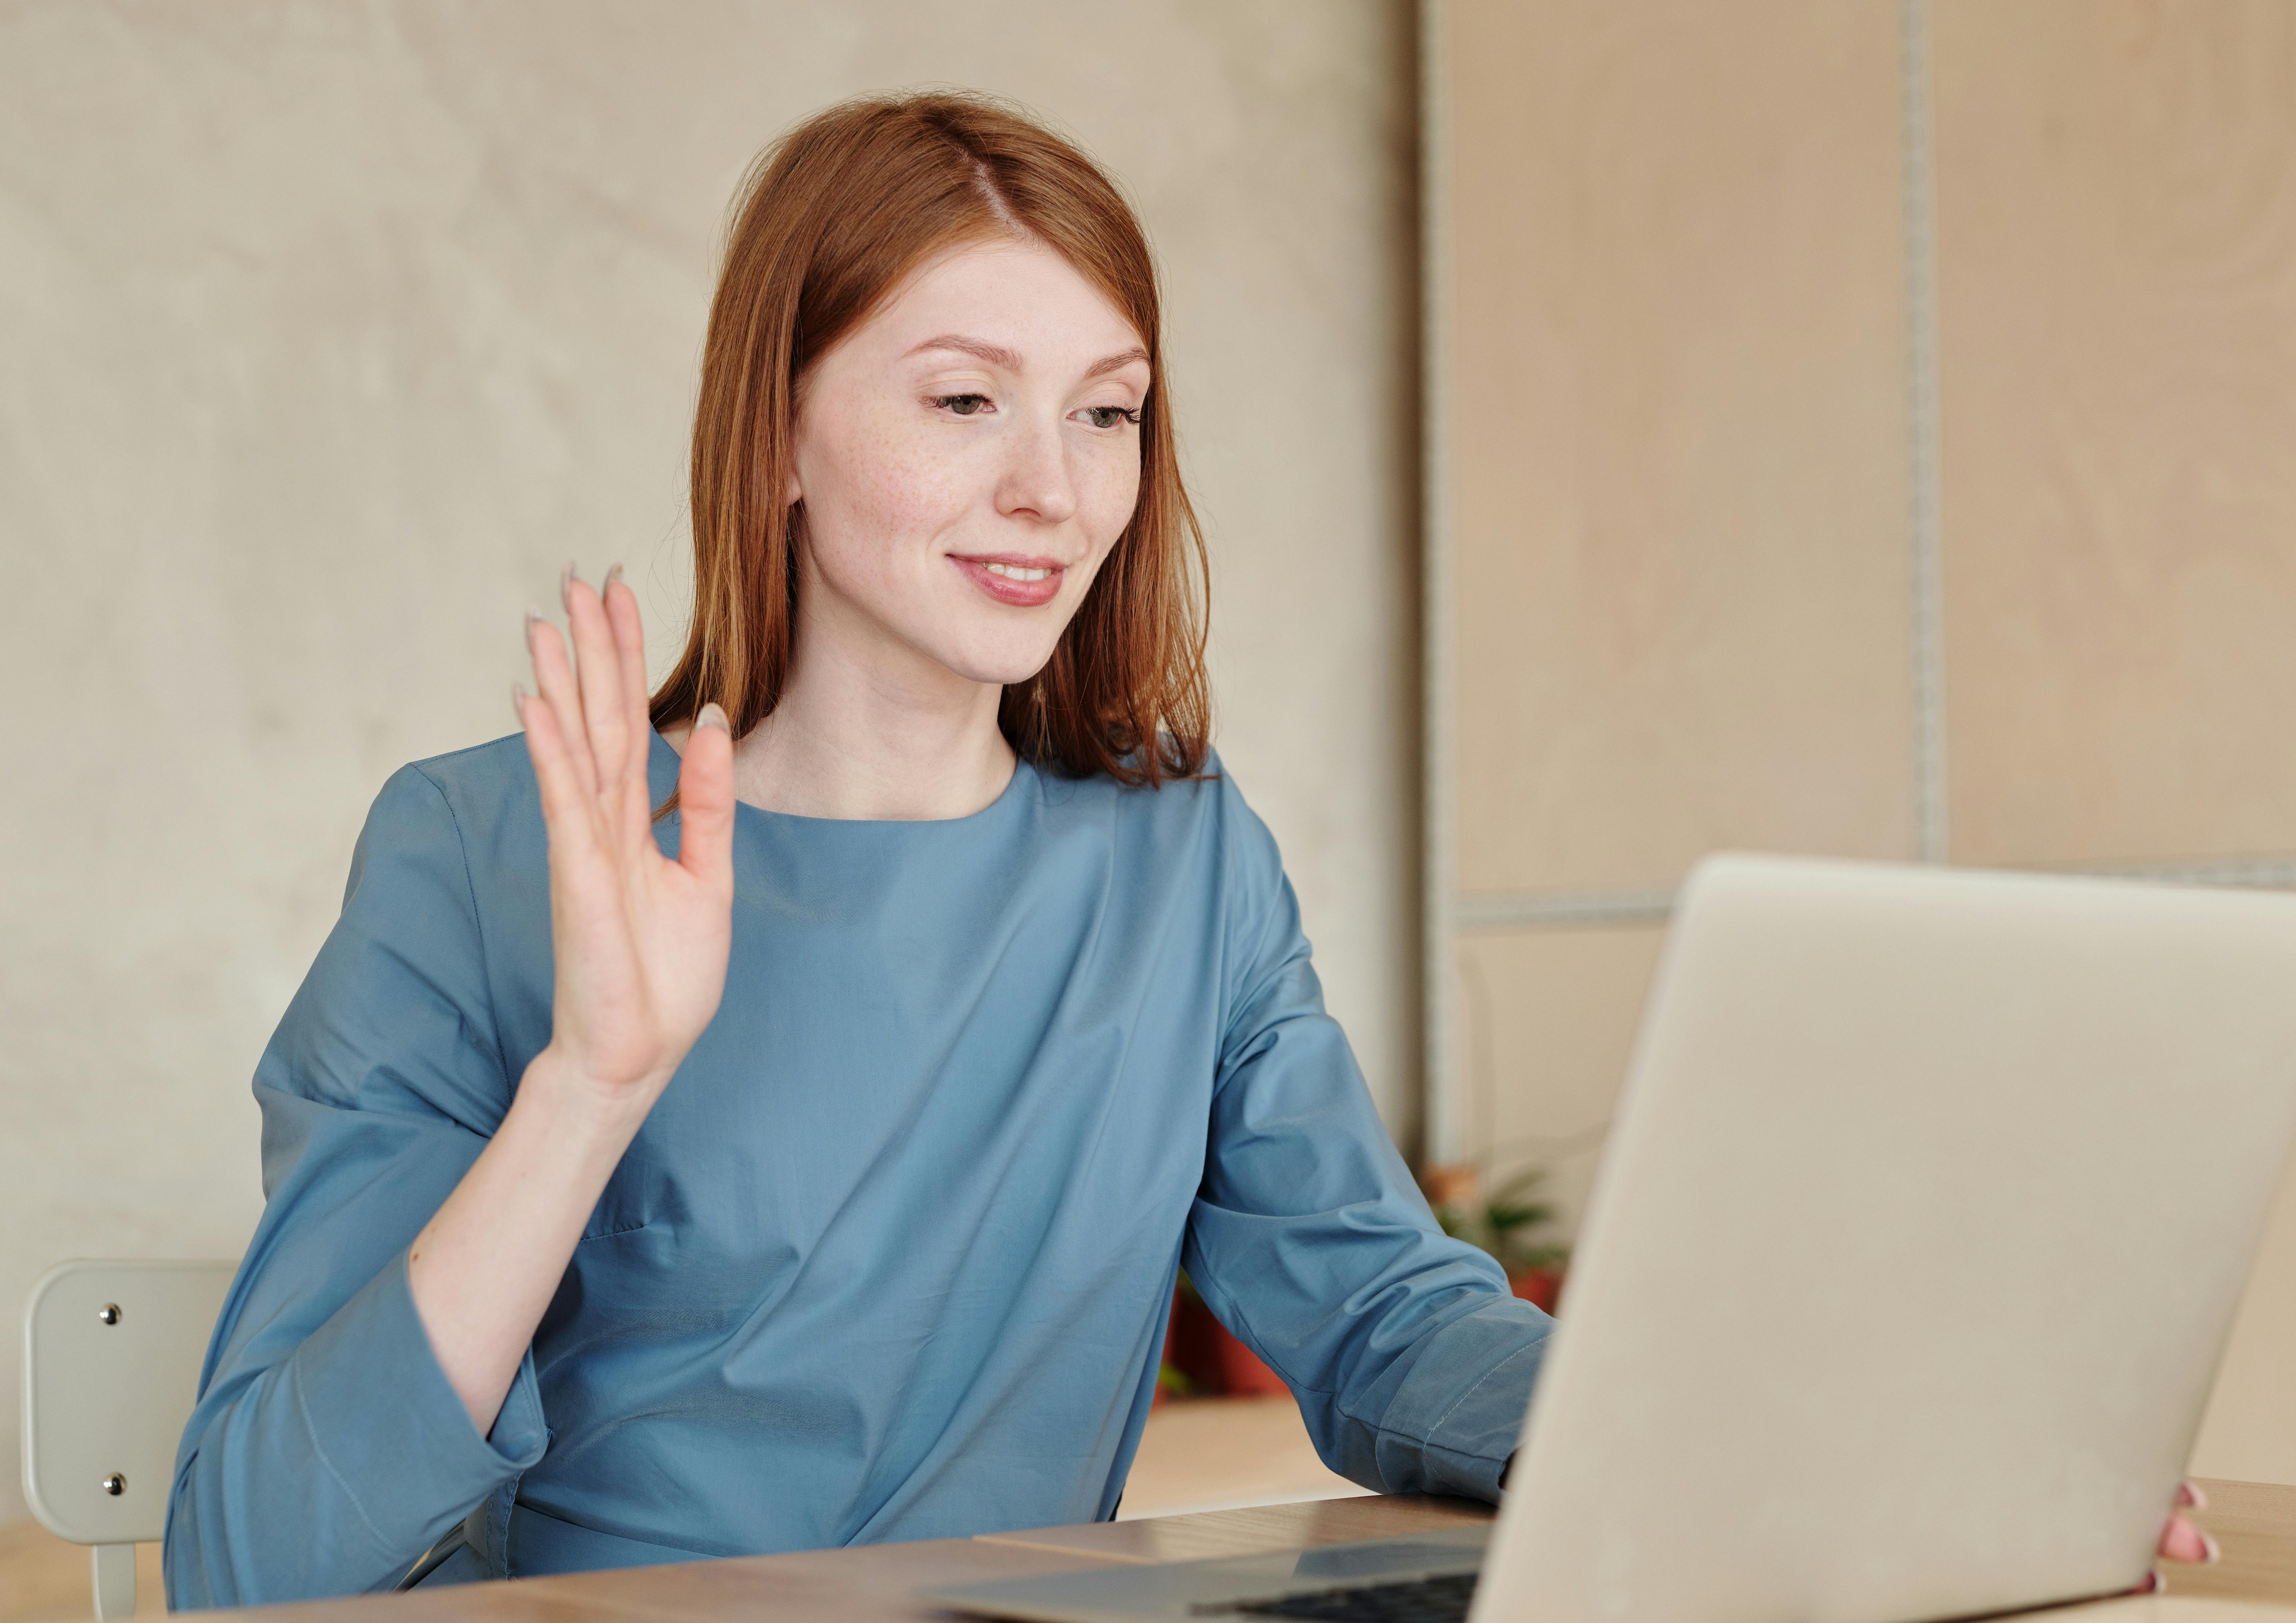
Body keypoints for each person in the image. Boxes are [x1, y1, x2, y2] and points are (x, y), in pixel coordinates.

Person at [162, 90, 2216, 1607]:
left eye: (1110, 413)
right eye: (965, 399)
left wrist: (1816, 1450)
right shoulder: (476, 850)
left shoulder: (1179, 862)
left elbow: (1384, 1318)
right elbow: (251, 1555)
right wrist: (593, 1080)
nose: (1051, 491)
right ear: (775, 430)